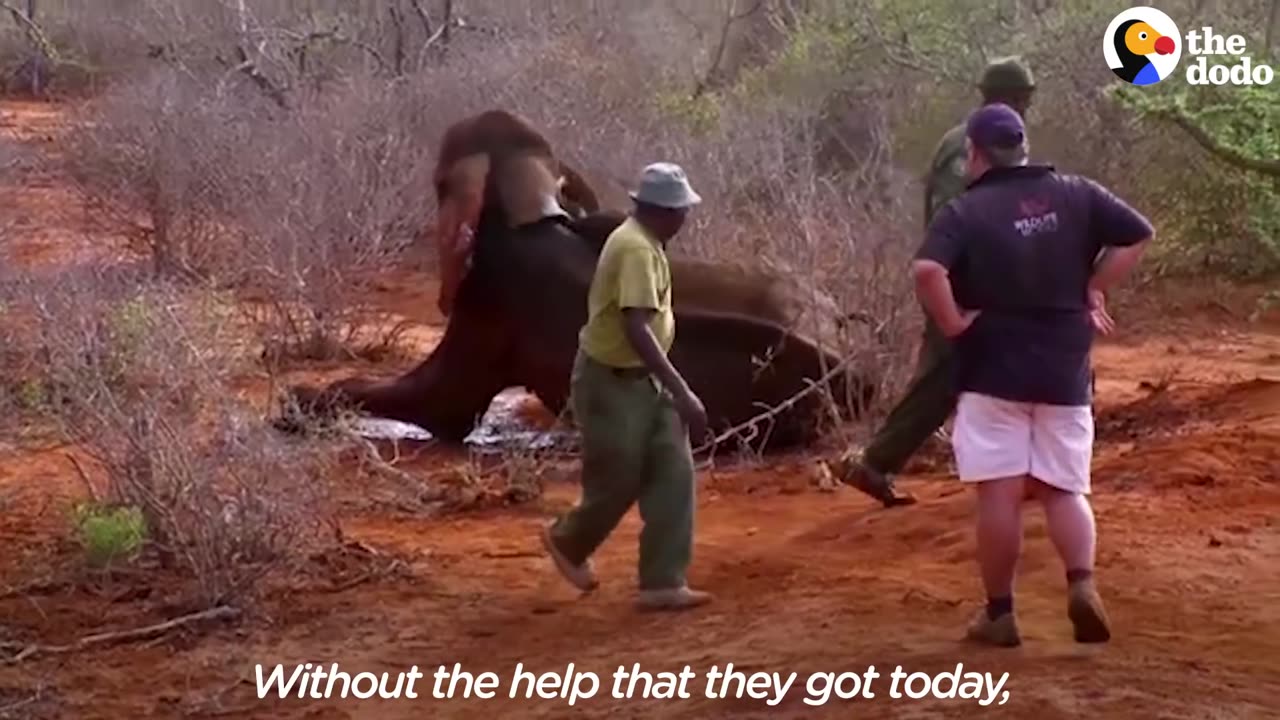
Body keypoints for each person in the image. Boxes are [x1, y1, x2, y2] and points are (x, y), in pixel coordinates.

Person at [912, 103, 1153, 646]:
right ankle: (1083, 584)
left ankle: (1000, 614)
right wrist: (1094, 286)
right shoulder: (1077, 193)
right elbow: (1138, 233)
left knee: (998, 495)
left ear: (973, 154)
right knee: (1065, 488)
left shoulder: (964, 211)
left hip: (993, 367)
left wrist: (953, 324)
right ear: (1022, 145)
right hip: (1064, 367)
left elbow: (928, 270)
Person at [840, 57, 1040, 506]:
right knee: (945, 378)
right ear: (1004, 96)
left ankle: (880, 462)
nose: (1029, 105)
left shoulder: (994, 136)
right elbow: (958, 219)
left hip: (978, 282)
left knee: (956, 376)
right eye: (1024, 97)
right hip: (960, 282)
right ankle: (876, 462)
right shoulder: (968, 144)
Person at [541, 162, 713, 611]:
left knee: (674, 471)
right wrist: (681, 390)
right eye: (680, 210)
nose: (685, 218)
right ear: (661, 211)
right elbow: (635, 326)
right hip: (610, 381)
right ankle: (569, 540)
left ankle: (663, 580)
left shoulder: (647, 241)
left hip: (644, 378)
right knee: (618, 477)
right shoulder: (635, 247)